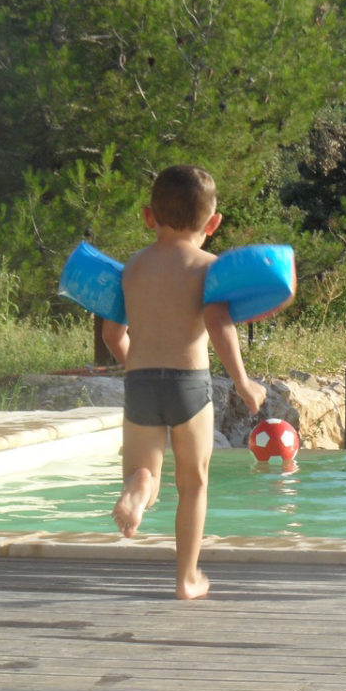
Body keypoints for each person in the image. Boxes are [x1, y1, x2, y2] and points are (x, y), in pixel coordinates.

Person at [102, 164, 266, 599]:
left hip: (140, 383)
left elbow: (112, 335)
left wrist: (133, 363)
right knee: (192, 484)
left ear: (147, 216)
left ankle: (138, 489)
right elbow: (218, 324)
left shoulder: (132, 268)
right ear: (213, 224)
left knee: (146, 473)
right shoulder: (207, 267)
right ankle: (186, 579)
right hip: (189, 384)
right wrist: (244, 383)